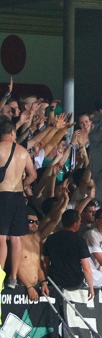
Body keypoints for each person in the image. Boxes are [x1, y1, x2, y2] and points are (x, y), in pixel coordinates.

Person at [0, 117, 37, 288]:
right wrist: (22, 185)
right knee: (15, 238)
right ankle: (13, 277)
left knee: (1, 237)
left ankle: (0, 274)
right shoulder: (22, 151)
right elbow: (33, 175)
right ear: (13, 132)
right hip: (18, 196)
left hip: (3, 195)